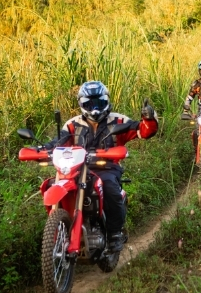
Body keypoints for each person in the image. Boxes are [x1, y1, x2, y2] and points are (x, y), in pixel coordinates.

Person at [54, 81, 157, 253]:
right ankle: (58, 232)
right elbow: (59, 142)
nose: (94, 108)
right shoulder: (72, 124)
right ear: (81, 104)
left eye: (99, 103)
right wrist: (44, 148)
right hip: (76, 169)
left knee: (109, 188)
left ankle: (115, 233)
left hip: (107, 168)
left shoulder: (118, 120)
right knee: (54, 184)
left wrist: (148, 119)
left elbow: (144, 131)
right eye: (89, 104)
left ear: (106, 101)